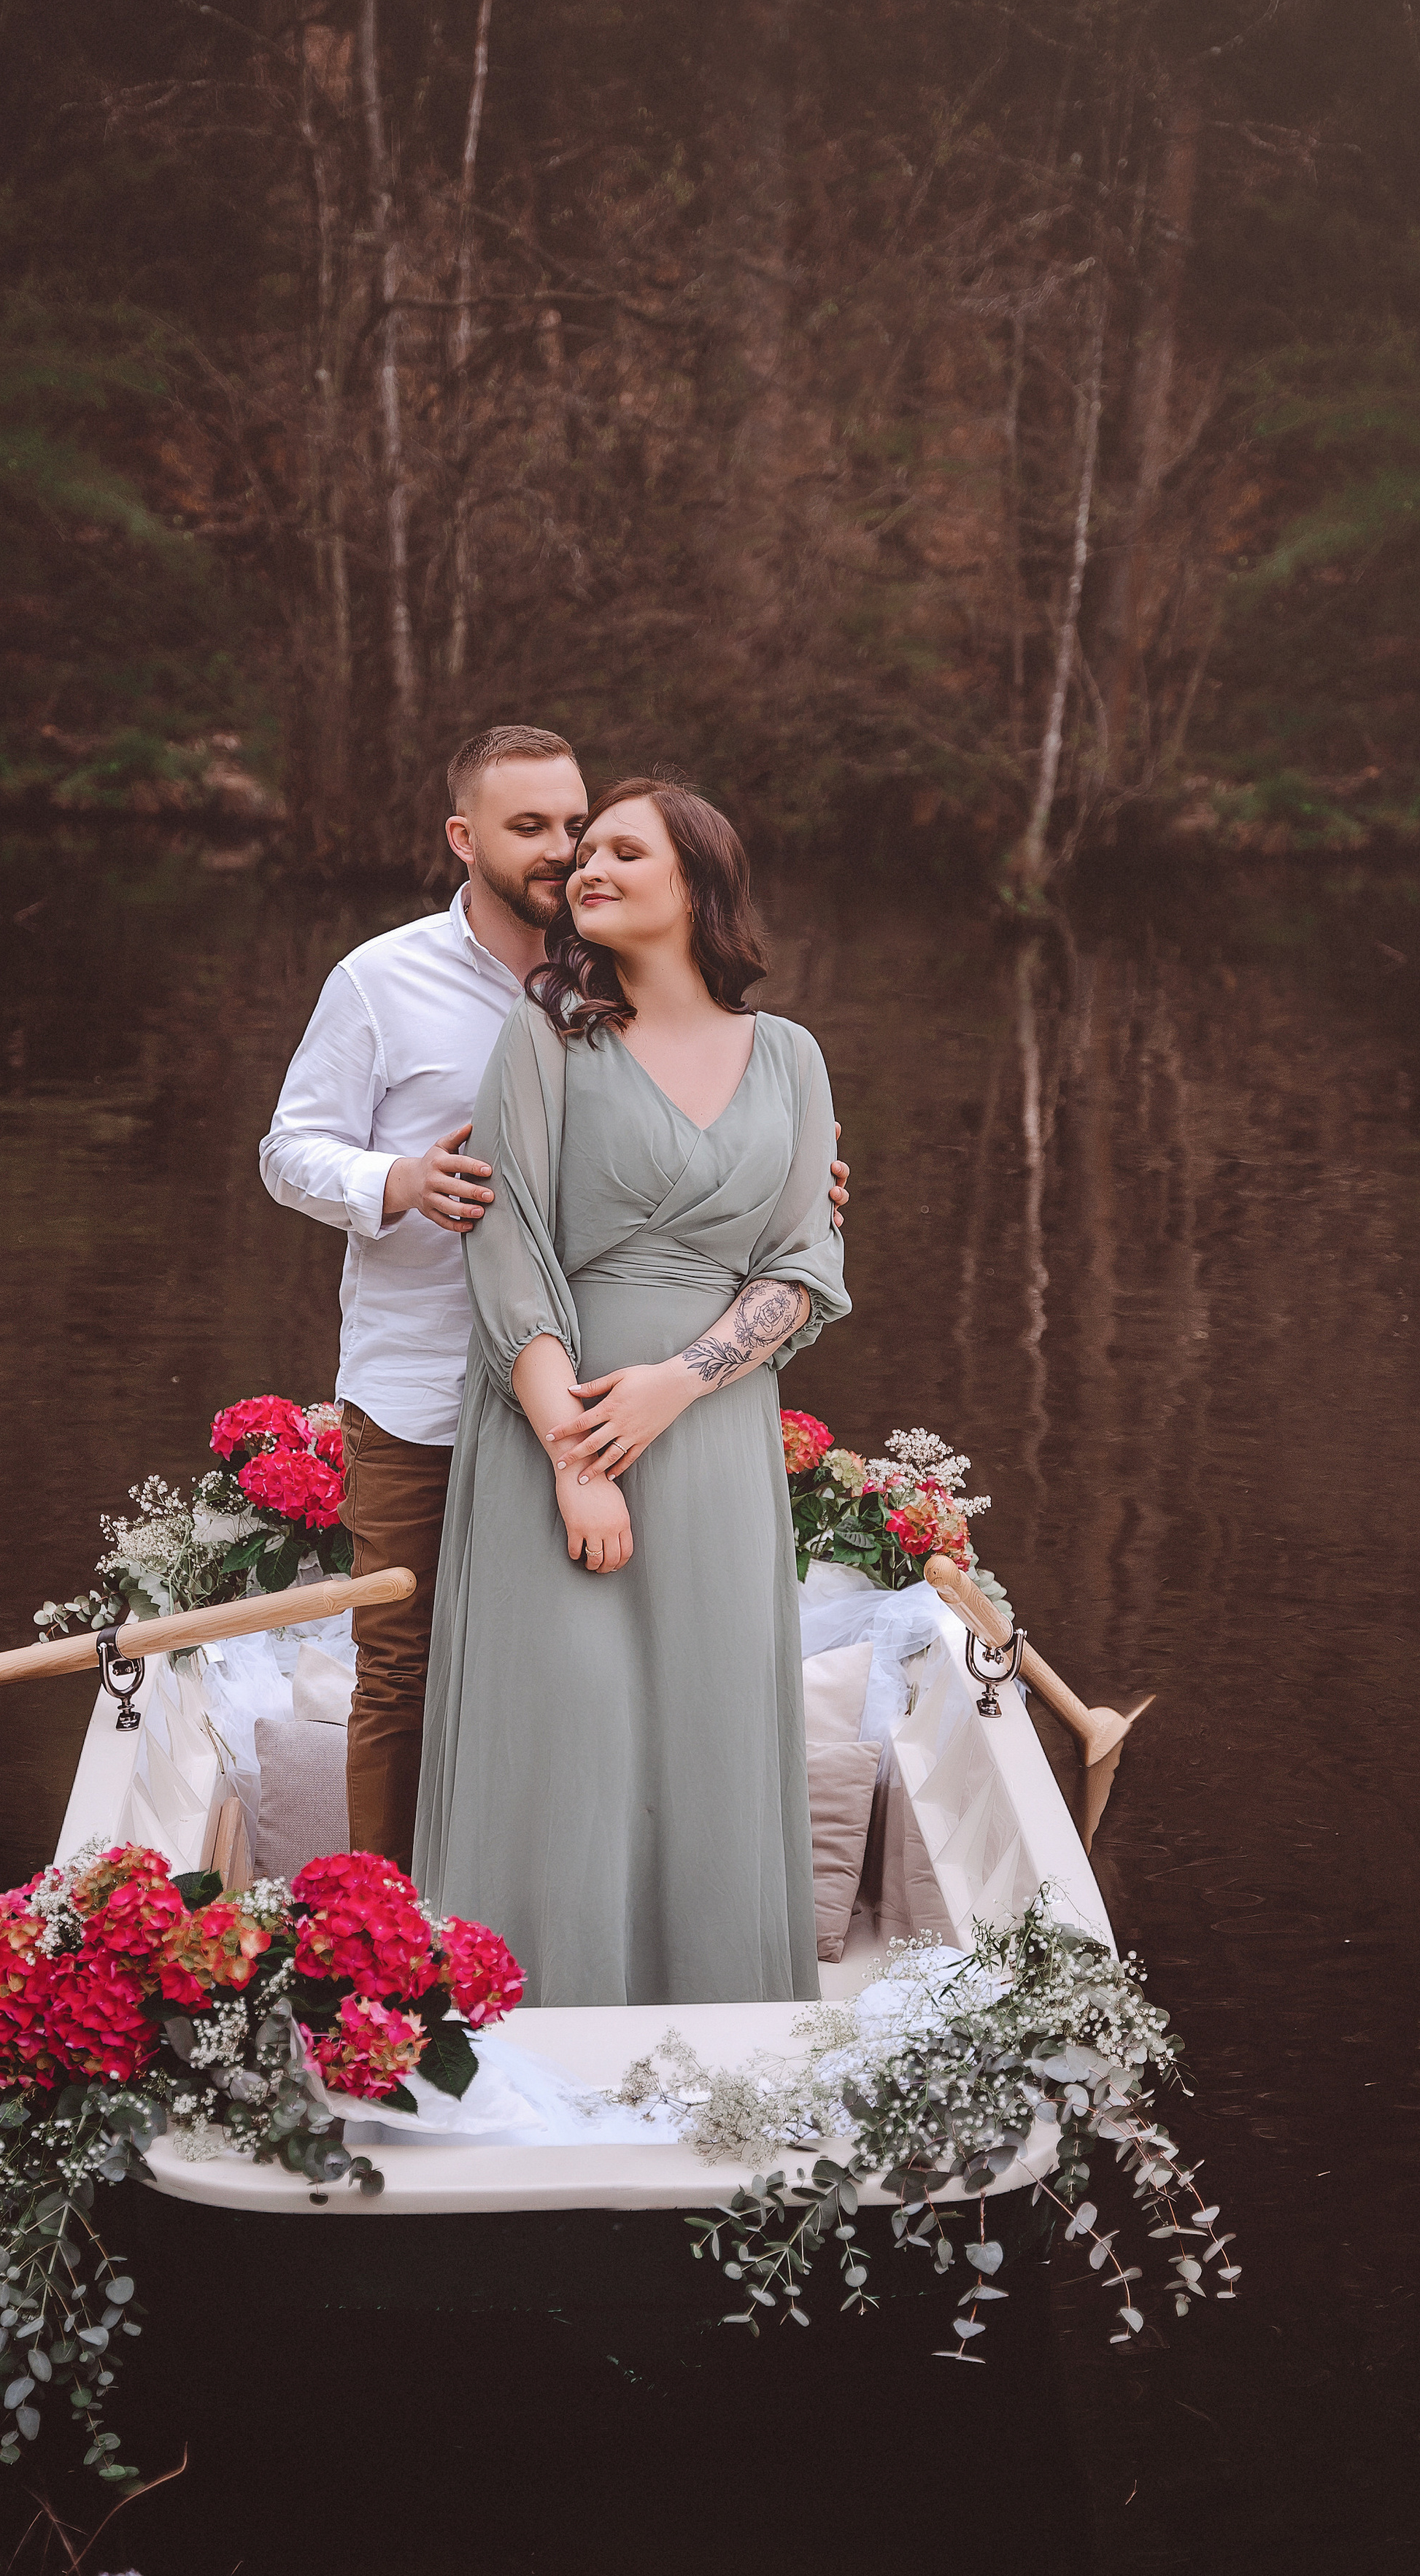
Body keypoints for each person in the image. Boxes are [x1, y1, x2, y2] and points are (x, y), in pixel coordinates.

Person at [261, 725, 849, 1876]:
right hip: (432, 1382)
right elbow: (289, 1150)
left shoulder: (610, 985)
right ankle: (390, 1939)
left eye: (575, 825)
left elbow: (718, 1132)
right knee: (411, 1668)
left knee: (618, 1680)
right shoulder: (382, 980)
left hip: (621, 1392)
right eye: (530, 828)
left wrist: (799, 1166)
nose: (562, 849)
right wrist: (399, 1180)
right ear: (462, 838)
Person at [412, 781, 849, 2006]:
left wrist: (681, 1381)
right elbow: (505, 1249)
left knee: (707, 1723)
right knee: (573, 1731)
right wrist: (575, 1453)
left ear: (697, 885)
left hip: (709, 1434)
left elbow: (805, 1268)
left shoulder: (793, 1059)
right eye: (581, 849)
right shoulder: (547, 1036)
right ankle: (530, 2030)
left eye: (621, 851)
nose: (587, 868)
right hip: (558, 1422)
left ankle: (719, 2037)